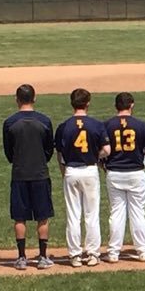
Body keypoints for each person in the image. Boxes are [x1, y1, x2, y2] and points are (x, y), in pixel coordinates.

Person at [2, 84, 56, 270]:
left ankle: (22, 258)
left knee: (19, 217)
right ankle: (42, 257)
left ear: (17, 99)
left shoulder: (9, 123)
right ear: (34, 98)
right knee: (42, 216)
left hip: (19, 174)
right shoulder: (44, 121)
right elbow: (49, 148)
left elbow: (8, 151)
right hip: (40, 173)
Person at [55, 88, 109, 267]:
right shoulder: (97, 125)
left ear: (72, 103)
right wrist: (95, 156)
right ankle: (93, 254)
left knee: (73, 215)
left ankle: (75, 255)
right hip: (90, 169)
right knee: (91, 214)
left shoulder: (64, 126)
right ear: (88, 103)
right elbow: (107, 150)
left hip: (71, 170)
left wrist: (63, 171)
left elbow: (60, 153)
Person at [104, 92, 145, 263]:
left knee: (116, 213)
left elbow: (102, 152)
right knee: (138, 213)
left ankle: (113, 252)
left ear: (116, 106)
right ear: (131, 105)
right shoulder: (141, 126)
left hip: (114, 173)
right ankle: (143, 251)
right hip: (135, 173)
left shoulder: (107, 125)